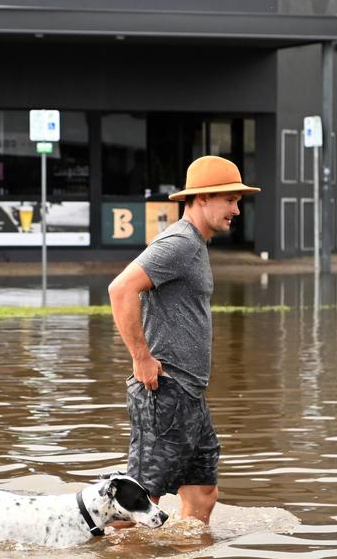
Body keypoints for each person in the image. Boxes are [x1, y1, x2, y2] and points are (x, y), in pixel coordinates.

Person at [108, 155, 261, 526]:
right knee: (139, 505)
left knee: (203, 494)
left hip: (189, 395)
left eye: (238, 201)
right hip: (165, 392)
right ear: (203, 198)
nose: (237, 210)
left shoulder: (195, 244)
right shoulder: (179, 242)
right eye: (230, 200)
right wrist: (141, 357)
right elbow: (121, 288)